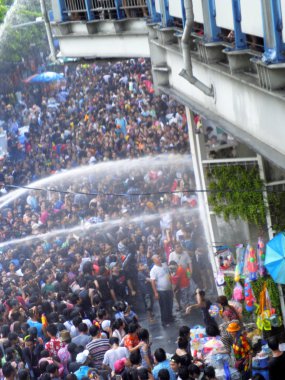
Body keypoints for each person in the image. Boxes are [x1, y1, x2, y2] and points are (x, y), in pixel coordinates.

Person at [150, 255, 174, 327]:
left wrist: (172, 285)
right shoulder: (153, 270)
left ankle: (170, 317)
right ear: (154, 260)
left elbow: (169, 274)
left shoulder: (164, 265)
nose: (159, 258)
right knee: (164, 306)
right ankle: (164, 321)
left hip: (169, 288)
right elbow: (152, 281)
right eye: (157, 257)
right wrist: (155, 292)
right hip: (161, 290)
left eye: (159, 257)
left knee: (170, 304)